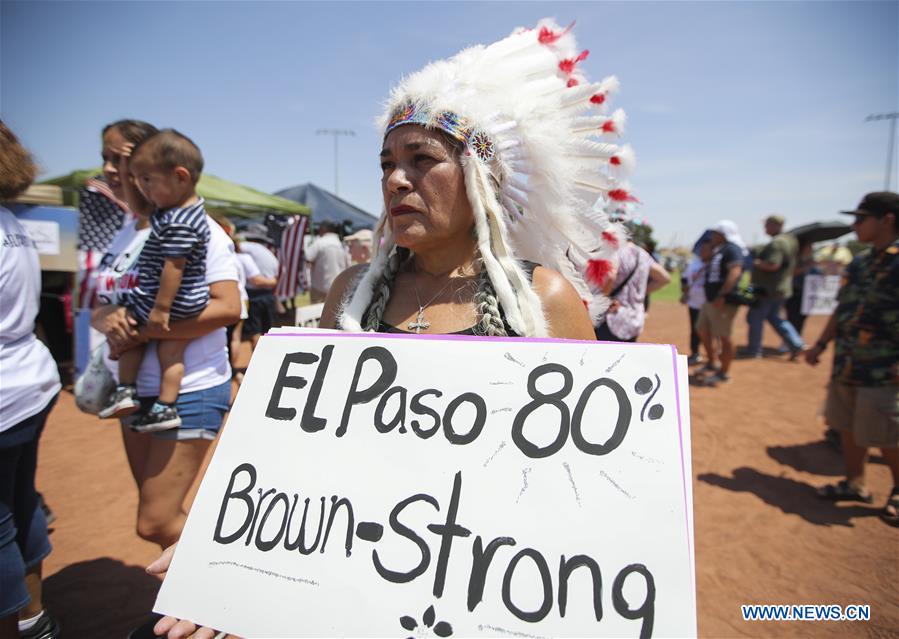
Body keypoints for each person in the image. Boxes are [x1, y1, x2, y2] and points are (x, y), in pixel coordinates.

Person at [149, 20, 632, 636]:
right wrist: (227, 550)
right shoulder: (352, 295)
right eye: (386, 164)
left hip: (479, 590)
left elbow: (581, 482)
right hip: (351, 574)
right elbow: (292, 444)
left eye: (422, 159)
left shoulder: (544, 299)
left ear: (481, 179)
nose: (396, 180)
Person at [90, 119, 240, 551]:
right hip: (137, 392)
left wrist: (140, 333)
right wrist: (107, 319)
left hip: (191, 387)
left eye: (121, 157)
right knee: (160, 519)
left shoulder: (201, 229)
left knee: (155, 522)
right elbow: (102, 302)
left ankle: (234, 584)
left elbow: (228, 308)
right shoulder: (125, 233)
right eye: (106, 157)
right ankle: (192, 610)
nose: (111, 169)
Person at [99, 130, 211, 432]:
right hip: (178, 301)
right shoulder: (172, 210)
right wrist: (128, 169)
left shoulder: (178, 221)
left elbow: (173, 267)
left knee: (137, 339)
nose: (142, 188)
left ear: (180, 177)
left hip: (172, 301)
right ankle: (162, 404)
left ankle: (133, 391)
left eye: (147, 180)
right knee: (168, 352)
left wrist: (160, 310)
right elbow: (140, 205)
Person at [0, 122, 62, 639]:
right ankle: (32, 617)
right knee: (22, 503)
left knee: (5, 518)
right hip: (29, 383)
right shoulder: (12, 223)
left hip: (7, 392)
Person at [806, 192, 899, 527]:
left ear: (887, 219)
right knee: (844, 425)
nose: (854, 225)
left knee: (888, 434)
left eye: (861, 219)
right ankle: (855, 483)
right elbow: (842, 308)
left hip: (885, 369)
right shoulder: (860, 263)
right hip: (848, 362)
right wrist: (820, 344)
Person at [742, 214, 805, 359]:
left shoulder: (777, 243)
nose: (765, 228)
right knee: (774, 317)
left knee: (755, 317)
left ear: (775, 225)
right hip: (782, 287)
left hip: (767, 288)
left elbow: (773, 265)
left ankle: (754, 350)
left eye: (766, 225)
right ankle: (796, 344)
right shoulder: (791, 240)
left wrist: (755, 262)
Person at [695, 220, 746, 385]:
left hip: (722, 301)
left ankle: (724, 372)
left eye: (715, 234)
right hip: (710, 300)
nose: (713, 237)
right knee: (702, 329)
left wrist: (723, 294)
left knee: (724, 336)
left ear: (723, 234)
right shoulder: (719, 250)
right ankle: (712, 362)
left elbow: (735, 271)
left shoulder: (732, 249)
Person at [594, 238, 670, 342]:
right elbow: (664, 278)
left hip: (612, 318)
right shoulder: (643, 254)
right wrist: (642, 292)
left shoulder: (615, 251)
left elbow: (610, 276)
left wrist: (601, 301)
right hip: (635, 320)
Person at [237, 224, 279, 350]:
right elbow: (275, 278)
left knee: (255, 331)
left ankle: (257, 361)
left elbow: (233, 246)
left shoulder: (248, 248)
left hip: (254, 297)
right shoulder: (269, 254)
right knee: (268, 330)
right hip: (268, 296)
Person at [681, 239, 712, 364]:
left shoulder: (713, 265)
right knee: (695, 329)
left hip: (709, 304)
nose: (703, 252)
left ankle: (713, 354)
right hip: (694, 303)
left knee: (711, 330)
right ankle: (695, 352)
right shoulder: (694, 264)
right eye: (702, 250)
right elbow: (684, 279)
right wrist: (684, 291)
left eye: (706, 250)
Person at [306, 220, 351, 302]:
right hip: (338, 288)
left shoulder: (319, 243)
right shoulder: (342, 245)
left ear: (323, 229)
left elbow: (308, 261)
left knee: (317, 313)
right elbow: (348, 266)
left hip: (319, 289)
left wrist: (308, 282)